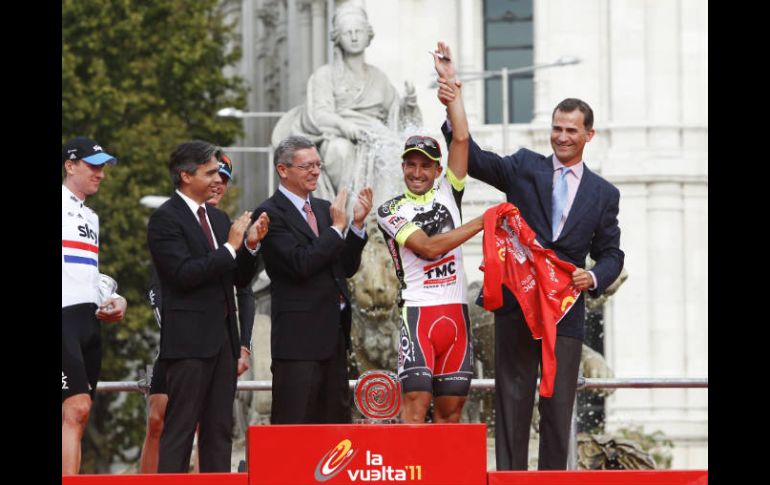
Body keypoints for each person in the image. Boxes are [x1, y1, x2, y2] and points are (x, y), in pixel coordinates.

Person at [435, 41, 625, 470]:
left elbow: (611, 252)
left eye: (571, 130)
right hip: (517, 307)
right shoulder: (524, 167)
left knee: (558, 410)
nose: (561, 136)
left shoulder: (603, 194)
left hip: (566, 312)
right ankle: (509, 481)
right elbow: (475, 157)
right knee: (511, 404)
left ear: (588, 135)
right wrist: (452, 99)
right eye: (557, 128)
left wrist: (592, 278)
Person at [147, 140, 269, 473]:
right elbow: (183, 275)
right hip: (188, 344)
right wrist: (231, 247)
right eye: (211, 172)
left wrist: (250, 247)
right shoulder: (165, 220)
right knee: (180, 431)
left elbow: (238, 279)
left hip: (223, 344)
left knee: (219, 431)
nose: (219, 179)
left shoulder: (218, 218)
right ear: (186, 175)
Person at [375, 67, 486, 423]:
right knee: (415, 408)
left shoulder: (448, 192)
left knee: (451, 416)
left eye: (425, 166)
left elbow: (462, 140)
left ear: (438, 171)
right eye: (411, 165)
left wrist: (453, 93)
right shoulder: (390, 209)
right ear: (403, 167)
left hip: (456, 313)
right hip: (419, 314)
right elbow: (428, 248)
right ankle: (413, 478)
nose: (418, 173)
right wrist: (484, 221)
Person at [255, 135, 372, 424]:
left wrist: (355, 227)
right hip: (297, 343)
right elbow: (301, 263)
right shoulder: (270, 213)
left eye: (318, 165)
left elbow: (343, 268)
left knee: (335, 429)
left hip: (333, 337)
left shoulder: (323, 208)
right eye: (307, 166)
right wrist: (336, 230)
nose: (316, 172)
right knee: (295, 428)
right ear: (283, 170)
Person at [270, 3, 421, 199]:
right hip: (339, 137)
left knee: (394, 152)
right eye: (348, 32)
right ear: (338, 38)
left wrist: (408, 104)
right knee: (341, 151)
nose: (354, 36)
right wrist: (344, 126)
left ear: (368, 36)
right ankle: (346, 211)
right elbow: (319, 114)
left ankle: (383, 215)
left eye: (358, 31)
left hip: (374, 136)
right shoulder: (325, 75)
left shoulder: (379, 78)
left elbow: (396, 118)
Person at [62, 136, 128, 475]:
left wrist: (114, 298)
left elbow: (88, 270)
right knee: (76, 407)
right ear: (70, 166)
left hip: (88, 321)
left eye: (103, 167)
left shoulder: (91, 217)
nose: (100, 174)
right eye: (93, 166)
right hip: (63, 320)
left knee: (80, 414)